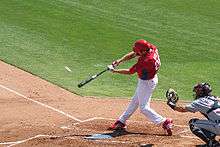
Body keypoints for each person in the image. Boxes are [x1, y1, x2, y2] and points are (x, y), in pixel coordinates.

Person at [107, 39, 173, 136]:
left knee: (143, 108)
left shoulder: (146, 61)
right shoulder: (151, 48)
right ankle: (121, 121)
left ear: (143, 51)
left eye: (138, 51)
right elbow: (134, 54)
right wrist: (119, 61)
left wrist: (114, 71)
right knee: (135, 101)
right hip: (149, 79)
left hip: (147, 83)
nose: (136, 52)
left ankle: (164, 121)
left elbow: (130, 71)